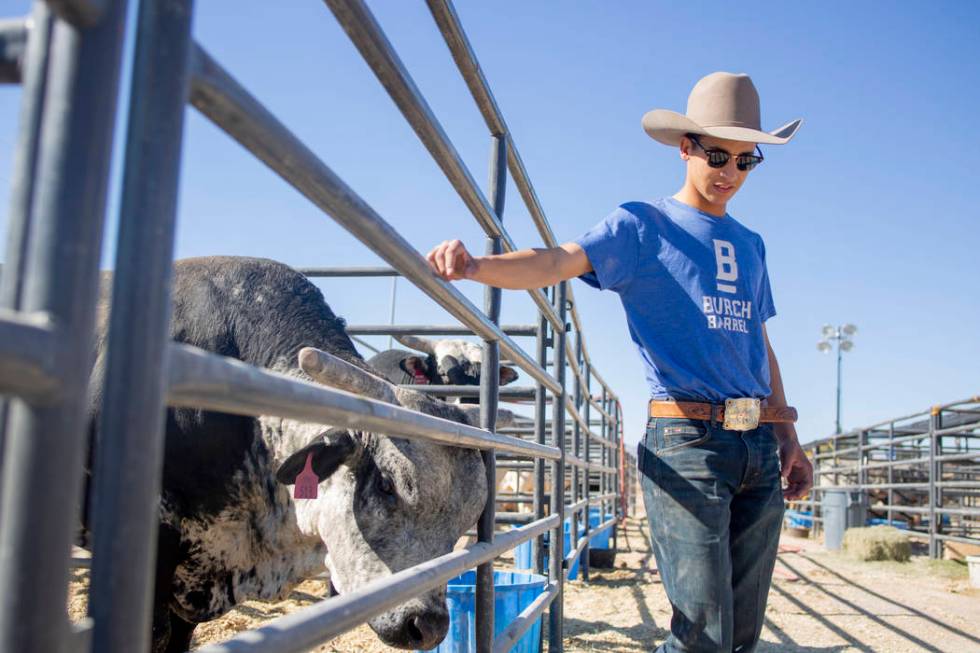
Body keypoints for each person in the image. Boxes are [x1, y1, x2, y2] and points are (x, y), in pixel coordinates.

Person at [424, 71, 814, 652]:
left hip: (758, 442)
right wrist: (478, 267)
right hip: (688, 441)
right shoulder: (641, 226)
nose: (730, 173)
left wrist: (789, 439)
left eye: (745, 161)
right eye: (717, 156)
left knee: (742, 635)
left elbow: (759, 343)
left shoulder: (752, 245)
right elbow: (557, 261)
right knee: (703, 636)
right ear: (685, 148)